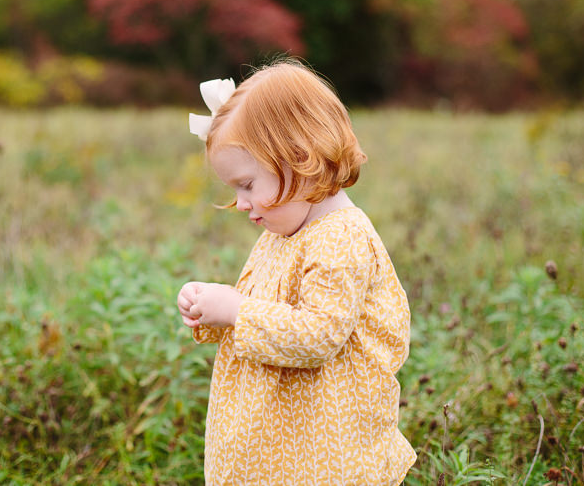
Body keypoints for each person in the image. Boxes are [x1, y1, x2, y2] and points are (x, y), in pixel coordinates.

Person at [177, 59, 416, 485]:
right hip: (281, 443)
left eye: (247, 185)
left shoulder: (339, 239)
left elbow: (318, 335)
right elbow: (266, 307)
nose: (241, 203)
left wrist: (235, 311)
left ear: (299, 158)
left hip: (324, 451)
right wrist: (212, 308)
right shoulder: (285, 229)